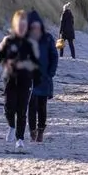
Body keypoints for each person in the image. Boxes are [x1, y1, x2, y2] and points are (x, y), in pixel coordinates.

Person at [0, 11, 40, 150]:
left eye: (23, 25)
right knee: (9, 108)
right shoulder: (7, 40)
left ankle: (20, 139)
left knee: (21, 111)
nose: (21, 27)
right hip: (9, 80)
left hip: (25, 81)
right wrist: (6, 62)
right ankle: (11, 126)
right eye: (19, 24)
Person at [26, 10, 58, 143]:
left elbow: (54, 56)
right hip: (30, 78)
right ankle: (32, 131)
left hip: (44, 77)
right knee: (31, 106)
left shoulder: (48, 38)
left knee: (42, 106)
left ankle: (40, 131)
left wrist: (50, 73)